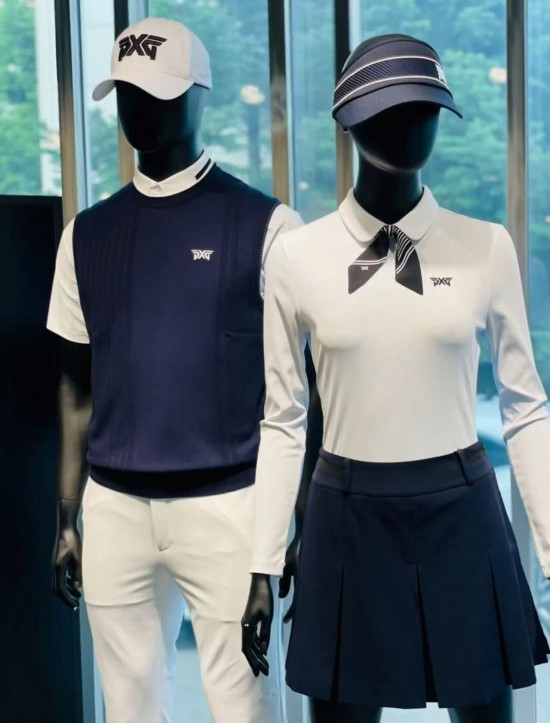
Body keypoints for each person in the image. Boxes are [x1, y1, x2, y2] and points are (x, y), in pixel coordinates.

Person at [242, 34, 550, 723]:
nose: (413, 125)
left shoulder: (486, 246)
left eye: (426, 108)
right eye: (389, 110)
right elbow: (284, 419)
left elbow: (526, 408)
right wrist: (261, 558)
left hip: (463, 513)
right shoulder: (296, 257)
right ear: (349, 122)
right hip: (345, 517)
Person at [47, 17, 303, 723]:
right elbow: (75, 387)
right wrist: (65, 516)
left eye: (157, 93)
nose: (140, 110)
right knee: (128, 710)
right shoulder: (85, 235)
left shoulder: (268, 226)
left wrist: (288, 526)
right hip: (114, 507)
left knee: (246, 706)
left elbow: (295, 398)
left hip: (230, 504)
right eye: (127, 93)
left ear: (198, 96)